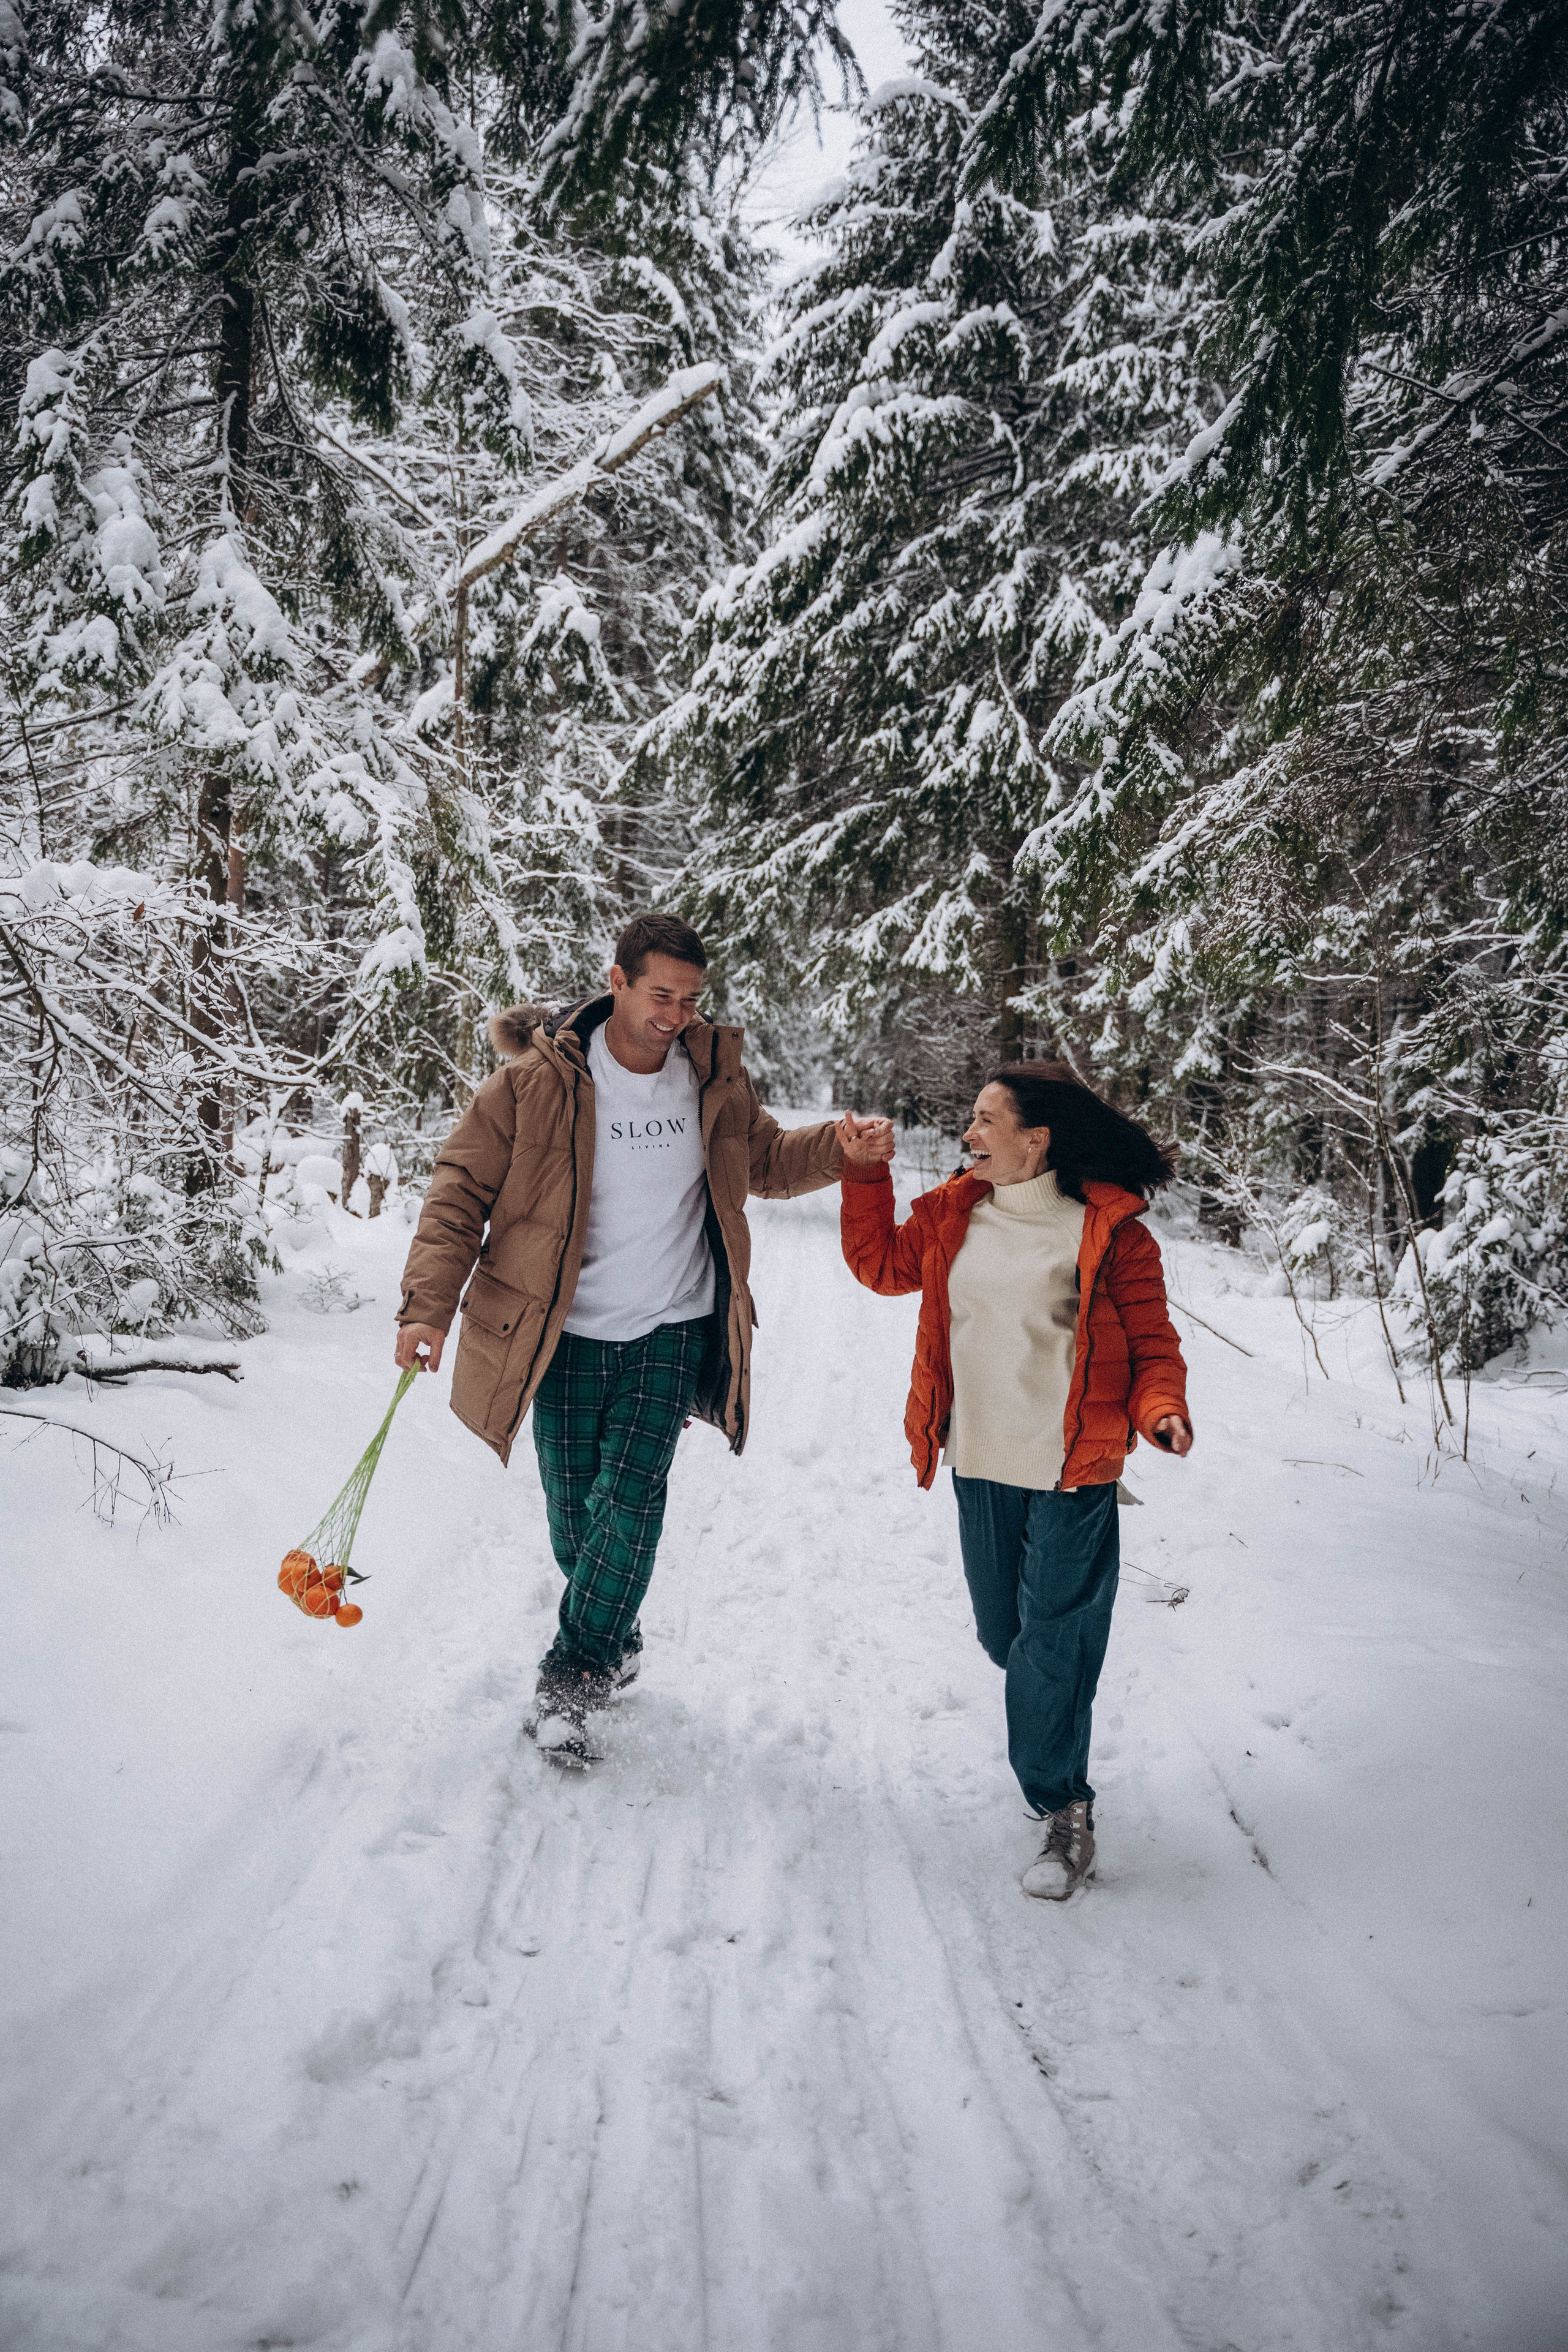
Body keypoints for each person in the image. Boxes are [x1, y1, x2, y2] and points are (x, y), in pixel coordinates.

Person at [394, 913, 885, 1765]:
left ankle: (573, 1676)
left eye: (691, 999)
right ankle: (612, 1632)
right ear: (615, 981)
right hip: (565, 1330)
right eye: (661, 994)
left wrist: (838, 1152)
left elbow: (765, 1161)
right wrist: (425, 1307)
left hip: (674, 1322)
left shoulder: (711, 1079)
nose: (677, 1014)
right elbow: (457, 1193)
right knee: (575, 1522)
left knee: (630, 1495)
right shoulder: (528, 1088)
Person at [835, 1064, 1192, 1899]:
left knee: (1053, 1645)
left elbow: (1152, 1348)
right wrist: (863, 1174)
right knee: (1009, 1640)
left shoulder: (1113, 1234)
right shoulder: (956, 1213)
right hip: (981, 1461)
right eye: (972, 1119)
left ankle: (1063, 1808)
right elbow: (880, 1265)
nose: (970, 1134)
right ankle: (1052, 1747)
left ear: (1037, 1139)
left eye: (986, 1120)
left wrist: (1163, 1409)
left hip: (1075, 1470)